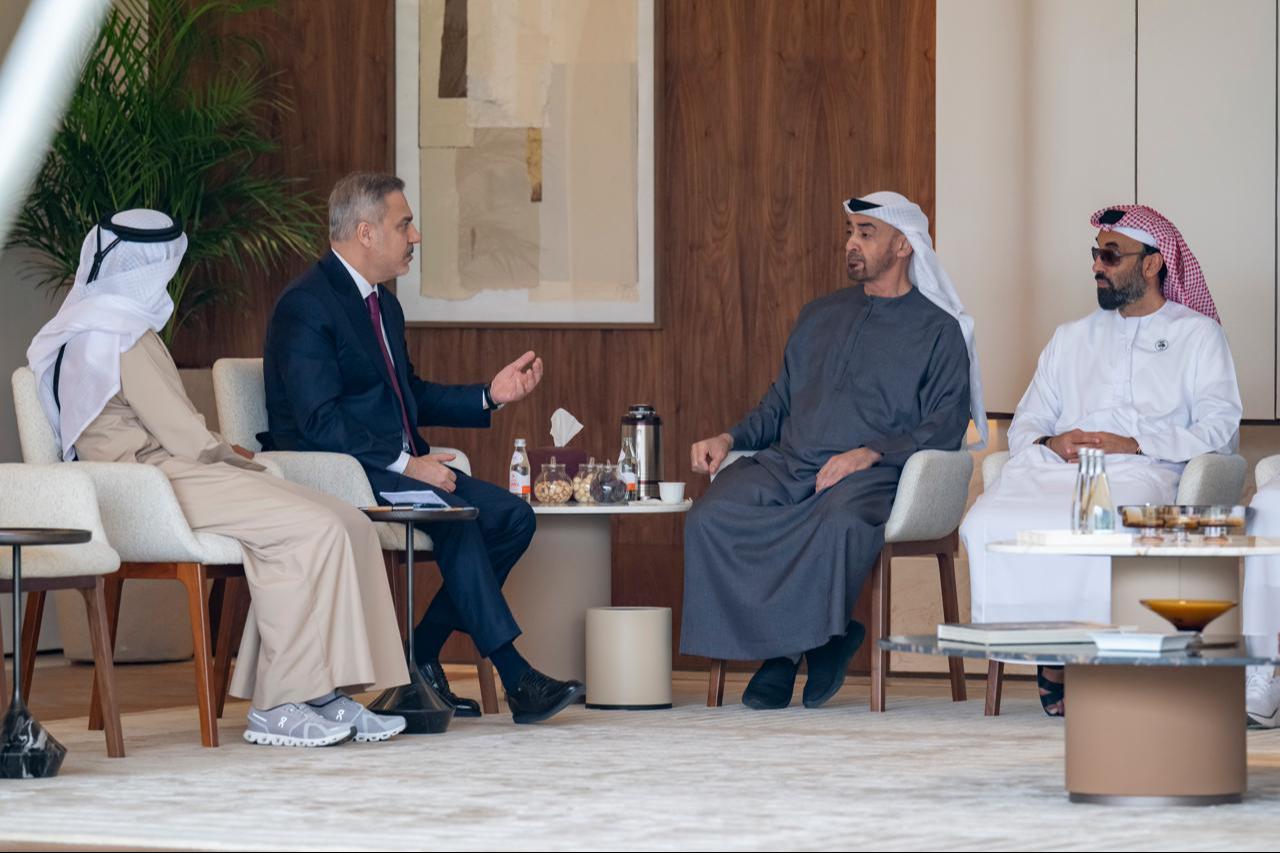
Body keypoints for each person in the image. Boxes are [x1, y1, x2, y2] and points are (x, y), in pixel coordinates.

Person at [27, 209, 409, 747]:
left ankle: (324, 690)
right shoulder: (120, 332)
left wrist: (225, 455)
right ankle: (277, 705)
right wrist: (230, 454)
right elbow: (182, 435)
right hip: (150, 482)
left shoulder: (100, 321)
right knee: (309, 527)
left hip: (170, 472)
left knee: (348, 520)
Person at [260, 172, 582, 724]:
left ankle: (421, 651)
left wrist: (490, 395)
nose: (415, 237)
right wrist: (409, 463)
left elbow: (410, 394)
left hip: (388, 466)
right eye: (404, 224)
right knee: (454, 513)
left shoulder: (383, 306)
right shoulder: (306, 306)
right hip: (335, 471)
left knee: (511, 517)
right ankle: (516, 678)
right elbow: (320, 422)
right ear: (365, 232)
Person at [681, 191, 983, 710]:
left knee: (839, 518)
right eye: (850, 232)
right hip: (788, 464)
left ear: (903, 245)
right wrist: (728, 438)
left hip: (878, 474)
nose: (851, 244)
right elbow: (778, 405)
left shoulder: (939, 330)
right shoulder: (818, 315)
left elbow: (946, 424)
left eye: (865, 233)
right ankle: (822, 639)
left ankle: (785, 657)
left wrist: (869, 454)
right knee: (713, 515)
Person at [960, 204, 1242, 716]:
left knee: (1101, 521)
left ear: (1154, 263)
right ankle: (1047, 648)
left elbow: (1219, 428)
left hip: (1144, 469)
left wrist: (1134, 442)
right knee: (989, 519)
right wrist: (1054, 441)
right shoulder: (1071, 338)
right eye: (1096, 254)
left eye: (1111, 255)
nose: (1097, 266)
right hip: (1058, 470)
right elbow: (1026, 424)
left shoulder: (1198, 335)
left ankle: (1092, 657)